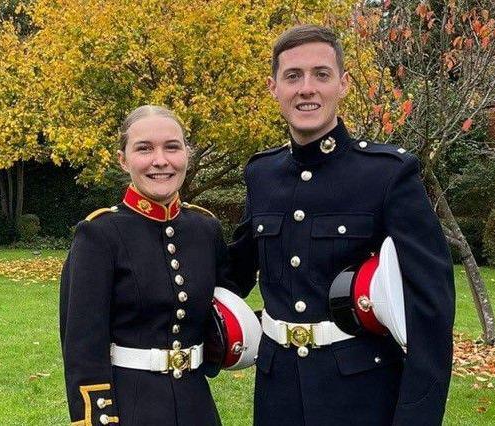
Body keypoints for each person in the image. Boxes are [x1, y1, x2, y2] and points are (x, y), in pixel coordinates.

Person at [227, 25, 455, 425]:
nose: (306, 88)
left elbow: (431, 310)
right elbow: (233, 272)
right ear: (273, 88)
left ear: (344, 84)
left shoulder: (387, 174)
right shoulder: (262, 174)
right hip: (277, 395)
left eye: (321, 74)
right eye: (293, 76)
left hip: (362, 395)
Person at [60, 105, 227, 426]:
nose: (160, 160)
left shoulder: (204, 228)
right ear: (123, 159)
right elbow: (83, 347)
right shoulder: (98, 234)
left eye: (172, 147)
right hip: (131, 405)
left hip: (197, 405)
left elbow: (230, 295)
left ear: (187, 155)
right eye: (144, 148)